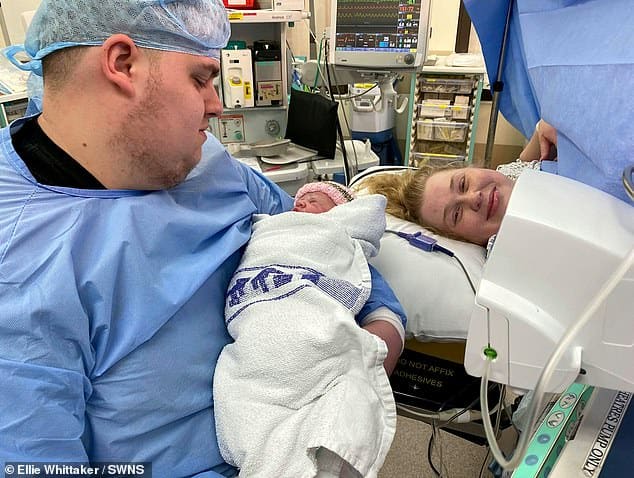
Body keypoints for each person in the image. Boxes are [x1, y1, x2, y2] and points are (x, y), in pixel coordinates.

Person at [0, 1, 402, 475]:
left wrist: (380, 336)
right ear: (122, 64)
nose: (217, 104)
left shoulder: (203, 161)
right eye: (200, 79)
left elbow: (320, 238)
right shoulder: (23, 264)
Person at [214, 182, 404, 477]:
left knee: (343, 412)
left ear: (343, 213)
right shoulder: (268, 232)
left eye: (313, 200)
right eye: (298, 201)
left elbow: (389, 317)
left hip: (313, 340)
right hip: (255, 341)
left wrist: (362, 361)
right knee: (249, 411)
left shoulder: (344, 250)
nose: (299, 204)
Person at [355, 120, 557, 247]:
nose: (474, 198)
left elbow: (524, 159)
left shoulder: (506, 174)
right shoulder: (520, 249)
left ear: (473, 167)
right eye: (457, 214)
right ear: (464, 240)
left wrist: (543, 126)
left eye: (463, 184)